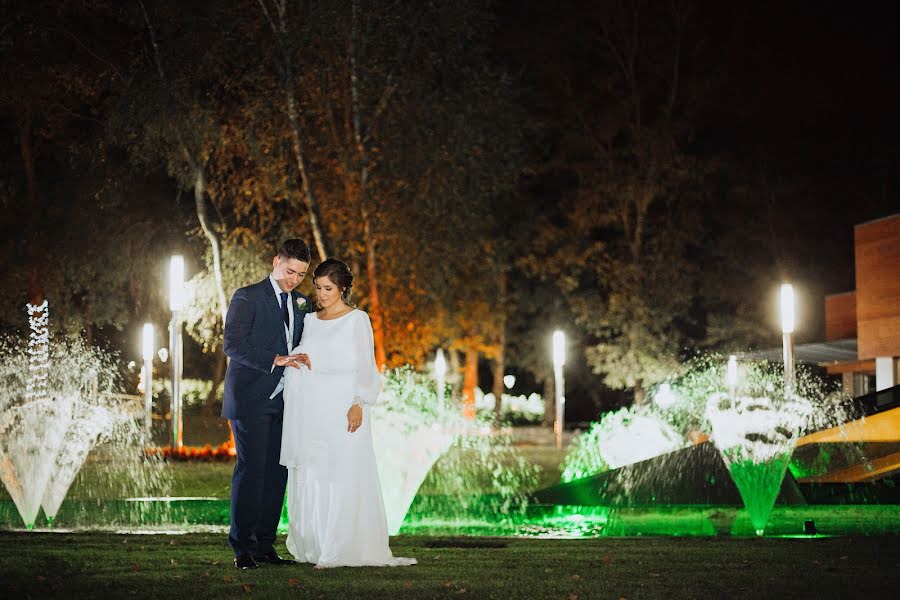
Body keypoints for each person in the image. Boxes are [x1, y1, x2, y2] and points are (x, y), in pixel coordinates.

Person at [280, 258, 416, 568]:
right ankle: (316, 543)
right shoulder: (311, 321)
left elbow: (366, 365)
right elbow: (304, 358)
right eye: (317, 288)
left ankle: (341, 546)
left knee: (342, 473)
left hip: (344, 406)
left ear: (342, 288)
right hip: (313, 408)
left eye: (327, 288)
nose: (321, 294)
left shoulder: (358, 320)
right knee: (316, 475)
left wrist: (359, 402)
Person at [222, 239, 312, 570]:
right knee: (252, 471)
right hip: (250, 398)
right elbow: (232, 343)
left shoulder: (303, 302)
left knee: (277, 473)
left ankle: (264, 545)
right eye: (290, 271)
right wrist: (275, 359)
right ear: (276, 261)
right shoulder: (247, 296)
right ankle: (242, 548)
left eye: (301, 275)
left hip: (288, 402)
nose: (294, 280)